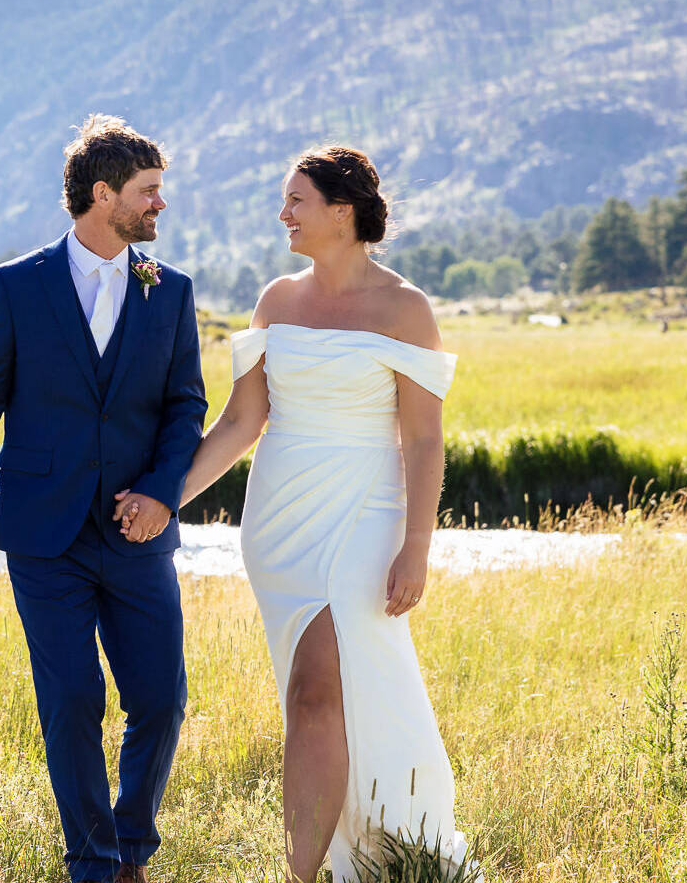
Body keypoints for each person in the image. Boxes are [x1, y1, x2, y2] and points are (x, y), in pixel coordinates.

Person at [0, 114, 208, 883]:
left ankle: (132, 843)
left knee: (161, 700)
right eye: (148, 192)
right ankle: (95, 863)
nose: (159, 207)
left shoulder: (169, 292)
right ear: (102, 194)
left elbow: (184, 408)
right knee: (72, 699)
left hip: (139, 533)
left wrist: (161, 496)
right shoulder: (16, 286)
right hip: (45, 534)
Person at [166, 145, 470, 881]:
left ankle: (361, 856)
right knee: (308, 698)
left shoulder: (405, 308)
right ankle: (320, 869)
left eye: (296, 200)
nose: (283, 215)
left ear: (342, 211)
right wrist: (160, 499)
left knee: (318, 685)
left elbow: (423, 438)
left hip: (368, 513)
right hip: (280, 519)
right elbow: (242, 423)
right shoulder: (277, 301)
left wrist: (416, 548)